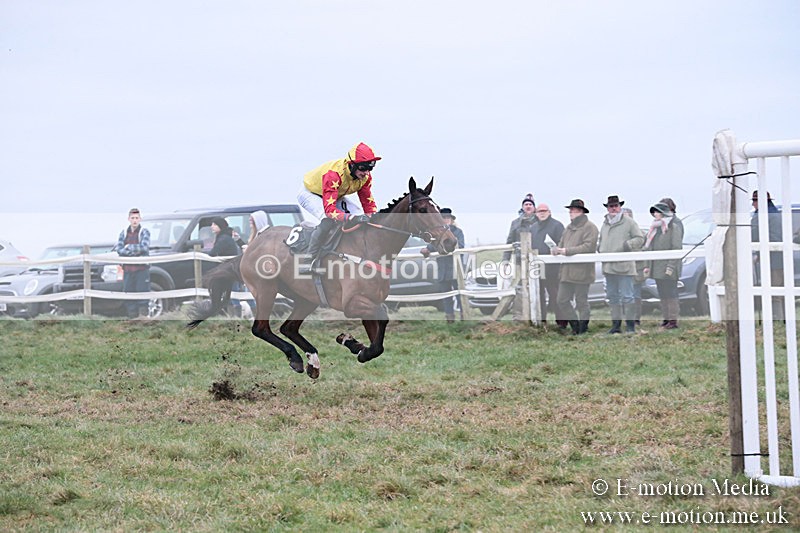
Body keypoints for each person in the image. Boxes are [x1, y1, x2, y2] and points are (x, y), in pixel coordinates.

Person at [297, 142, 380, 267]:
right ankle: (308, 260)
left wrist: (374, 219)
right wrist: (349, 217)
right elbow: (330, 211)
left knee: (361, 216)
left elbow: (367, 203)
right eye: (363, 168)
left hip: (335, 195)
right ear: (351, 165)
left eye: (370, 168)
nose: (366, 173)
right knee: (327, 220)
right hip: (311, 193)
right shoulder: (334, 175)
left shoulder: (365, 178)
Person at [598, 195, 644, 334]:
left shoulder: (629, 222)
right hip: (608, 267)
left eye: (616, 206)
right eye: (611, 206)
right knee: (612, 297)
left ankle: (630, 326)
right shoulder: (605, 224)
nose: (613, 208)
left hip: (624, 267)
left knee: (628, 296)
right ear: (607, 208)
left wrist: (627, 245)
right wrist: (600, 249)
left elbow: (640, 238)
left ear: (620, 207)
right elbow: (602, 241)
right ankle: (616, 326)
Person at [553, 199, 599, 335]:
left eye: (573, 210)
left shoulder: (590, 227)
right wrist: (556, 249)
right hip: (566, 272)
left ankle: (583, 328)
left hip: (582, 271)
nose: (571, 213)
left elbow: (588, 246)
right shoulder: (568, 228)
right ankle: (575, 325)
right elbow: (561, 243)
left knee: (581, 301)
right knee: (561, 300)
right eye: (570, 210)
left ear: (581, 212)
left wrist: (567, 251)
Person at [642, 201, 684, 329]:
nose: (655, 214)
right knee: (662, 293)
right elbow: (649, 248)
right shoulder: (655, 228)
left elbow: (676, 247)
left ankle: (673, 320)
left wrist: (670, 267)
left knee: (671, 293)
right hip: (657, 267)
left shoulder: (673, 227)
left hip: (668, 266)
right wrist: (648, 265)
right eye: (654, 212)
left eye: (657, 211)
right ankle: (666, 319)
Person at [421, 208, 465, 323]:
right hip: (443, 268)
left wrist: (449, 247)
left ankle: (463, 316)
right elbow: (432, 246)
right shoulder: (437, 233)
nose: (446, 220)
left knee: (459, 294)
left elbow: (460, 245)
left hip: (455, 268)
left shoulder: (457, 232)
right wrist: (426, 249)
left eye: (448, 218)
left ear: (451, 220)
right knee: (446, 296)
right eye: (444, 218)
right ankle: (449, 318)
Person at [530, 203, 566, 326]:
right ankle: (541, 322)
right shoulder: (533, 228)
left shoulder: (557, 226)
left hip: (553, 268)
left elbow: (562, 243)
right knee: (538, 297)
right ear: (536, 213)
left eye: (544, 211)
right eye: (539, 211)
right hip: (537, 268)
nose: (542, 213)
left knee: (556, 296)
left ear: (549, 212)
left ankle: (561, 324)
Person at [503, 194, 536, 321]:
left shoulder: (538, 222)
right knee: (519, 288)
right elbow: (509, 241)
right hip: (518, 260)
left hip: (534, 261)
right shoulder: (515, 223)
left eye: (530, 204)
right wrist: (505, 260)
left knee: (534, 287)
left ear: (534, 207)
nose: (528, 206)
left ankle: (533, 315)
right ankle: (518, 315)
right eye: (526, 204)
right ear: (522, 207)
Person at [113, 208, 151, 318]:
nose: (135, 220)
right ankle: (132, 318)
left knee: (142, 293)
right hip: (128, 269)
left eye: (137, 218)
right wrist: (133, 252)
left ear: (140, 219)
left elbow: (144, 247)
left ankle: (143, 318)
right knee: (129, 294)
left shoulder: (144, 232)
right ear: (129, 219)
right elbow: (119, 249)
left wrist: (129, 247)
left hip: (141, 269)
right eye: (133, 218)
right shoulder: (124, 233)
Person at [751, 190, 784, 320]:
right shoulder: (776, 214)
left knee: (772, 292)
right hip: (780, 258)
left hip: (770, 259)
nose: (753, 204)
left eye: (755, 201)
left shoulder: (760, 216)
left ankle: (776, 319)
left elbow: (753, 236)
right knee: (780, 291)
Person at [622, 207, 646, 327]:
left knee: (635, 295)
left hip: (636, 269)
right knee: (624, 295)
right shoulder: (619, 234)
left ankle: (636, 319)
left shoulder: (640, 234)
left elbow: (643, 249)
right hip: (622, 269)